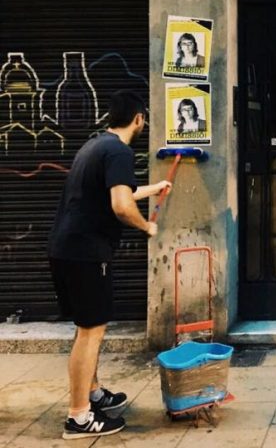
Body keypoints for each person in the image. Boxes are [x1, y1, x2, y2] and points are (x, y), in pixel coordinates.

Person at [47, 90, 172, 439]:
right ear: (139, 119)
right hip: (86, 252)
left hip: (65, 248)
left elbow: (120, 193)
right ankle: (79, 417)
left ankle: (92, 392)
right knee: (91, 332)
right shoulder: (120, 151)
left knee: (85, 327)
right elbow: (119, 206)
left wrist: (155, 188)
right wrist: (146, 226)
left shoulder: (96, 146)